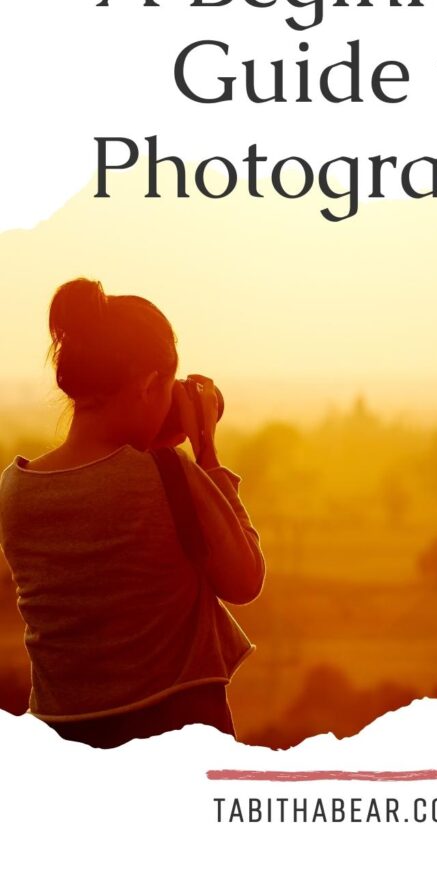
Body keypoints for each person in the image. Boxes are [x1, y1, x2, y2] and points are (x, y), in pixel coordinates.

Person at [0, 277, 265, 747]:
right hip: (174, 732)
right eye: (166, 390)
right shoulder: (168, 474)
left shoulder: (15, 489)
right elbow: (245, 580)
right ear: (147, 385)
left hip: (61, 740)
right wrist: (206, 453)